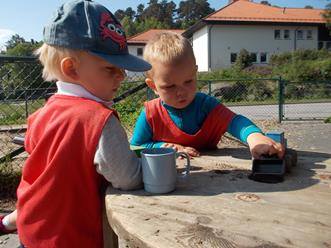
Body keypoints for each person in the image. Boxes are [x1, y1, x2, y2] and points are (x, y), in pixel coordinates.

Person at [0, 0, 151, 246]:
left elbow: (37, 152)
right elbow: (127, 177)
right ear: (71, 69)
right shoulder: (100, 120)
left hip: (32, 230)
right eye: (110, 68)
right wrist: (153, 167)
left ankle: (7, 222)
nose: (122, 76)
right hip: (71, 237)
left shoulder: (40, 115)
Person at [131, 32, 284, 160]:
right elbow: (136, 146)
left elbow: (235, 121)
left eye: (188, 81)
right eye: (170, 86)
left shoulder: (207, 105)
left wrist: (254, 137)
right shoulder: (151, 114)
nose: (181, 92)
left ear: (195, 73)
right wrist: (162, 147)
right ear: (153, 86)